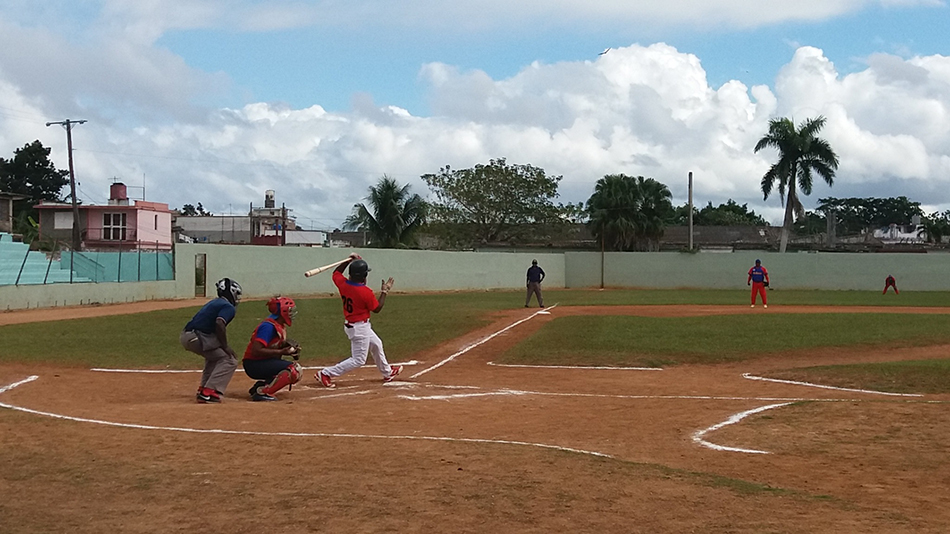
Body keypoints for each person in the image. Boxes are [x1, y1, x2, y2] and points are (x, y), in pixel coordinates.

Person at [315, 253, 402, 388]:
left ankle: (387, 372)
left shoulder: (343, 284)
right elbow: (377, 308)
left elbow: (336, 273)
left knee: (376, 344)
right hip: (359, 328)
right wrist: (385, 291)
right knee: (358, 360)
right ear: (363, 276)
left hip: (356, 325)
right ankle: (325, 373)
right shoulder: (365, 292)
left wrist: (348, 260)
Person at [180, 278, 242, 403]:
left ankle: (204, 388)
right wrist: (225, 346)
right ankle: (209, 391)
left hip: (188, 335)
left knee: (215, 358)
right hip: (197, 336)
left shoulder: (216, 302)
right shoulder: (228, 307)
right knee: (229, 360)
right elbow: (219, 323)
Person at [242, 296, 303, 401]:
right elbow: (256, 350)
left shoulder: (278, 325)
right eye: (289, 311)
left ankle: (261, 386)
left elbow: (271, 347)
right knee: (294, 370)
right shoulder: (268, 327)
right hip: (254, 364)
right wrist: (282, 351)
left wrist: (286, 347)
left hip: (260, 362)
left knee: (284, 366)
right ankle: (264, 392)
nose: (291, 314)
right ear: (282, 311)